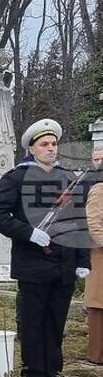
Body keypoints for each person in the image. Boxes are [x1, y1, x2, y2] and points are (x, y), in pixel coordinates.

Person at [0, 118, 90, 377]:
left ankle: (54, 376)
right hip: (33, 264)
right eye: (44, 144)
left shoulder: (67, 177)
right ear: (31, 149)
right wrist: (29, 233)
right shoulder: (16, 178)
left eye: (54, 143)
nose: (51, 148)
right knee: (33, 323)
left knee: (56, 323)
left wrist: (83, 260)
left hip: (64, 265)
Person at [84, 147, 103, 365]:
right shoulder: (99, 189)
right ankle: (96, 355)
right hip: (100, 256)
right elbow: (94, 223)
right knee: (99, 305)